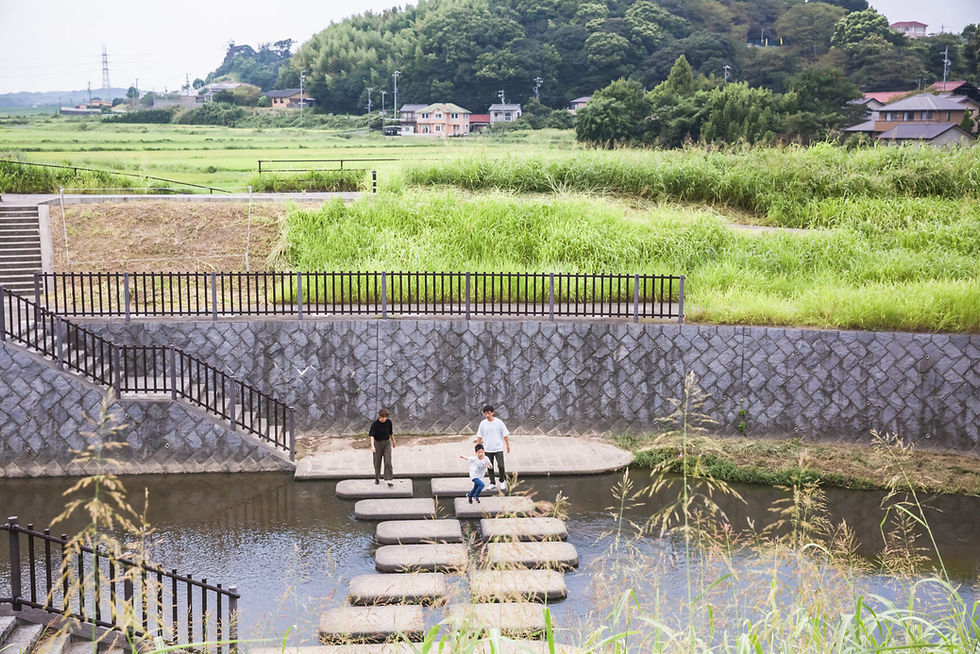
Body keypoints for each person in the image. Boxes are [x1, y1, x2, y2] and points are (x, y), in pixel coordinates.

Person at [474, 404, 510, 491]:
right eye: (485, 413)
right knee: (490, 466)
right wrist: (478, 449)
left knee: (501, 465)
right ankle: (492, 482)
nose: (487, 415)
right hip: (487, 448)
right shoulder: (483, 424)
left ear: (492, 413)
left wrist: (507, 445)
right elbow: (479, 436)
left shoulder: (499, 422)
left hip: (498, 448)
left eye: (488, 413)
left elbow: (505, 434)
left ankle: (502, 480)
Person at [369, 409, 395, 486]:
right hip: (377, 444)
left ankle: (389, 479)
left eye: (385, 417)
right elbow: (372, 436)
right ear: (379, 416)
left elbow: (391, 433)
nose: (384, 419)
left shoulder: (388, 422)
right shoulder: (375, 424)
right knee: (377, 462)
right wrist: (372, 446)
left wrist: (393, 441)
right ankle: (377, 478)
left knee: (388, 461)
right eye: (382, 417)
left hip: (387, 443)